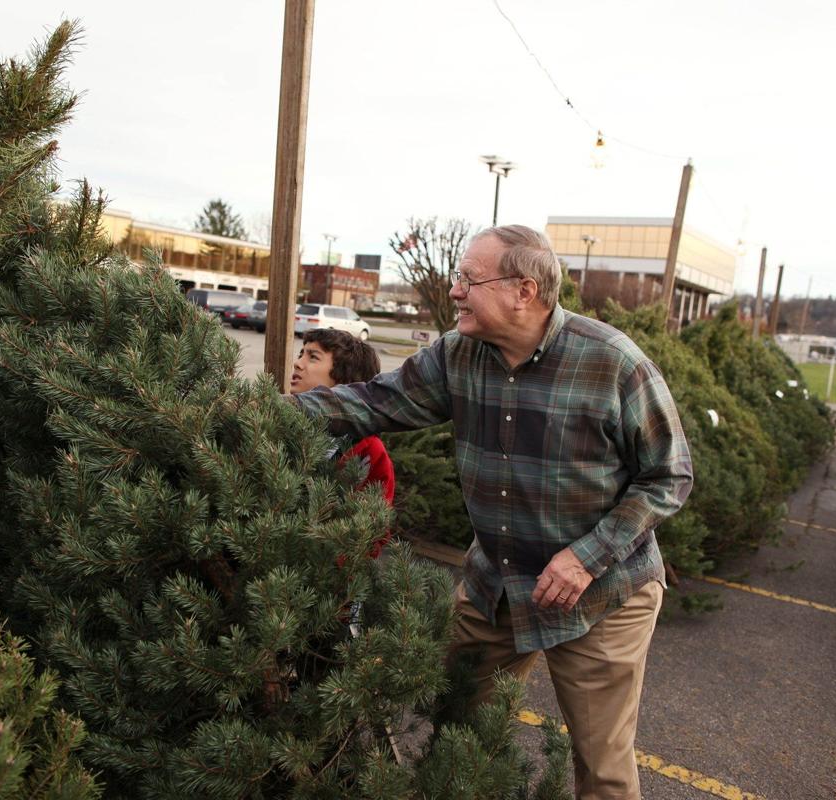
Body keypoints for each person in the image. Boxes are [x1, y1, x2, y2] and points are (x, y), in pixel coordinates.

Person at [291, 225, 692, 800]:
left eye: (467, 279)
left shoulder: (612, 362)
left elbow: (669, 475)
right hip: (496, 586)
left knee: (602, 770)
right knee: (455, 732)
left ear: (523, 291)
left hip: (600, 594)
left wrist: (585, 558)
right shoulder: (457, 355)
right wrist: (269, 411)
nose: (454, 290)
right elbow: (373, 400)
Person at [289, 328, 396, 556]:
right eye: (301, 354)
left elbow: (372, 532)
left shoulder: (369, 452)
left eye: (313, 357)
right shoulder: (280, 426)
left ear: (345, 380)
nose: (298, 363)